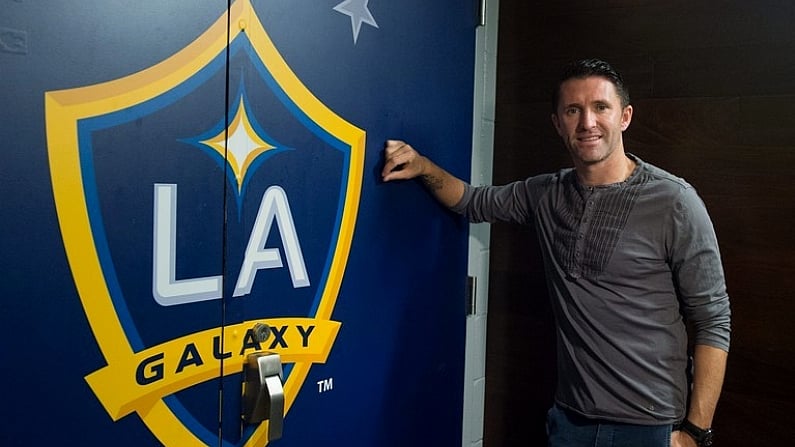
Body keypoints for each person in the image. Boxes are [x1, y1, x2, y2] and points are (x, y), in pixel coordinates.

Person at [381, 59, 730, 447]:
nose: (587, 123)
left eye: (601, 107)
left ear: (625, 116)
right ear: (557, 123)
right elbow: (472, 201)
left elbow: (713, 318)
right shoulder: (544, 194)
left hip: (650, 429)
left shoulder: (675, 201)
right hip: (569, 423)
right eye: (573, 110)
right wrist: (422, 165)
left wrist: (696, 434)